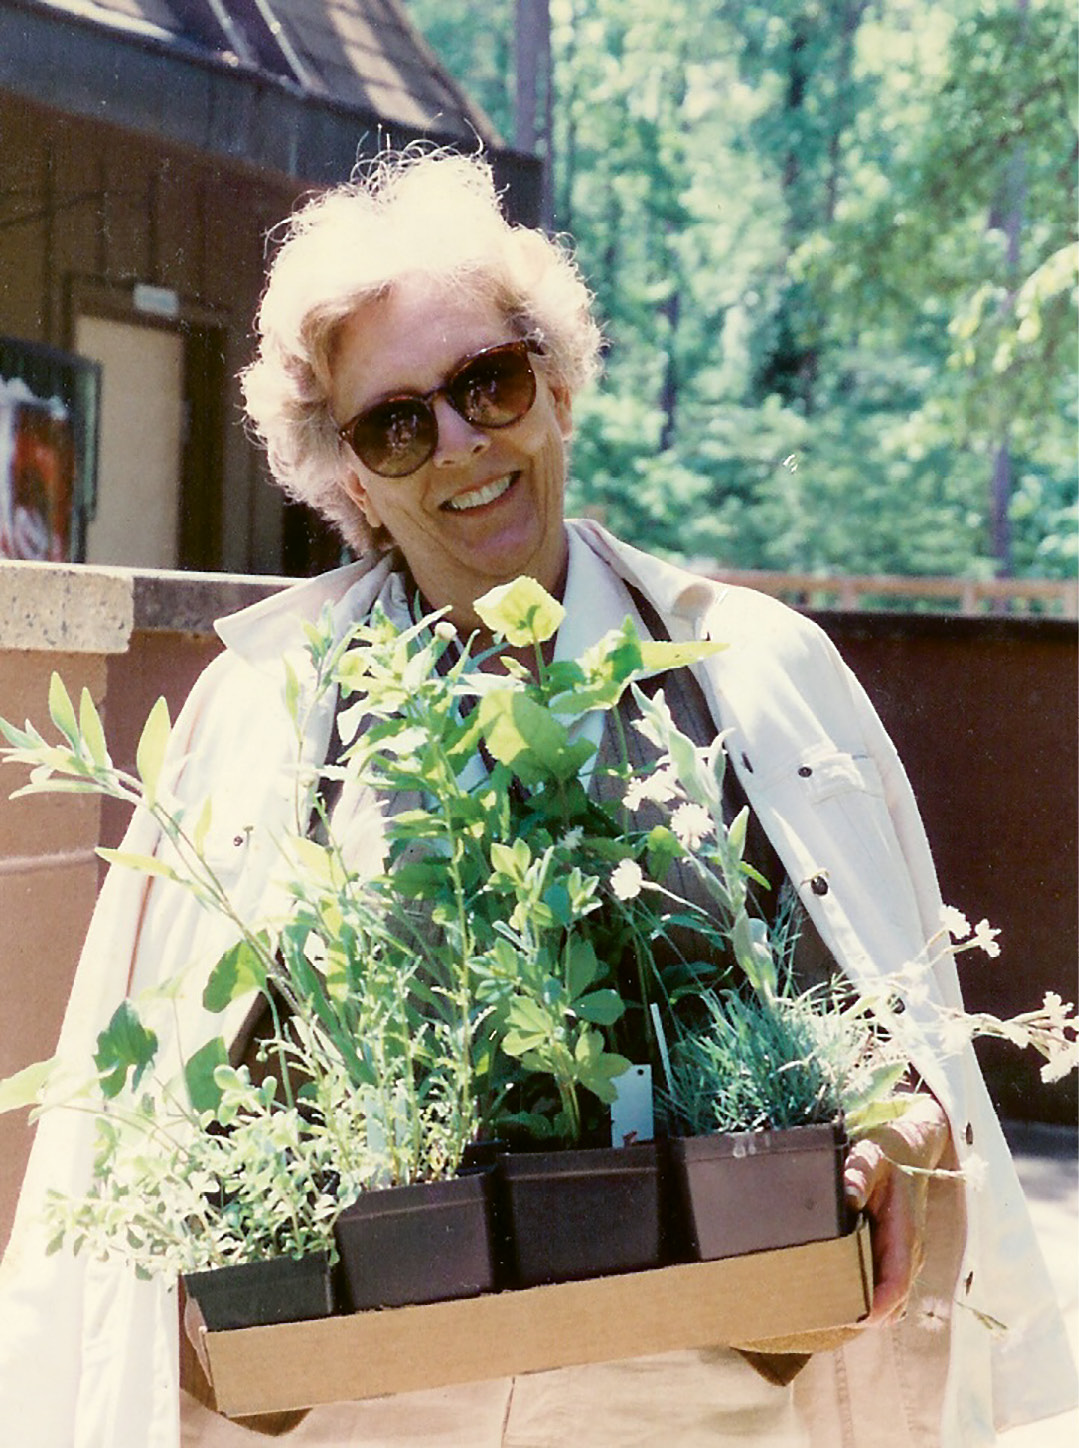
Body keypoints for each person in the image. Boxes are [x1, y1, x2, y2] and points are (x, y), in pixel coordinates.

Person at [0, 149, 1074, 1448]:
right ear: (352, 481)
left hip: (706, 1400)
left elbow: (896, 1036)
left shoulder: (757, 674)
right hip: (372, 1409)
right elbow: (157, 1115)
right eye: (396, 422)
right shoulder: (259, 715)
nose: (457, 441)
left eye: (487, 384)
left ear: (556, 387)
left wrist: (897, 1138)